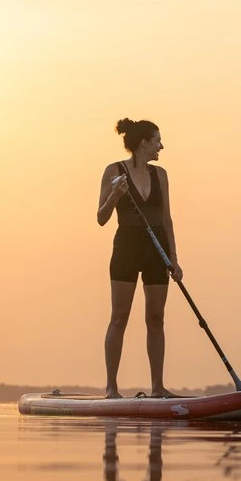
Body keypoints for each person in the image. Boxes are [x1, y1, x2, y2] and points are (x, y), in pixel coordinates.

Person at [97, 118, 182, 399]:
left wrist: (174, 257)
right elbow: (101, 217)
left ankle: (158, 388)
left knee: (156, 318)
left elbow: (167, 219)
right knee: (119, 317)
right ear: (144, 142)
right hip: (127, 247)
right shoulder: (114, 171)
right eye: (157, 140)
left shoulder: (161, 175)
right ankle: (111, 388)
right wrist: (115, 195)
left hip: (156, 248)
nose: (161, 146)